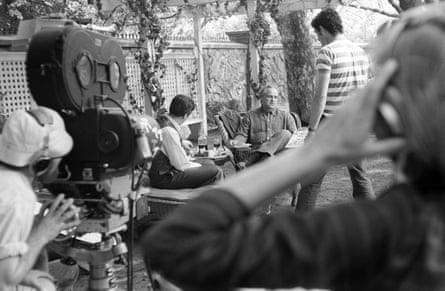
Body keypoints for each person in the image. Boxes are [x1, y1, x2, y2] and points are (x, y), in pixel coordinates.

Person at [141, 4, 445, 290]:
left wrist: (312, 148)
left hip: (325, 130)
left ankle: (297, 209)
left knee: (311, 183)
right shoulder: (353, 53)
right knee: (357, 177)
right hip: (275, 148)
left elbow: (171, 247)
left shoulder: (383, 233)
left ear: (386, 111)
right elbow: (239, 137)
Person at [296, 8, 375, 210]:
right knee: (360, 177)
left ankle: (299, 226)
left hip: (331, 123)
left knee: (311, 179)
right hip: (356, 122)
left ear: (322, 29)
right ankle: (375, 221)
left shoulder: (327, 52)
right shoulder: (360, 52)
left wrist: (312, 130)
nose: (319, 39)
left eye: (317, 34)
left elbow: (320, 95)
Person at [0, 106, 80, 290]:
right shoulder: (17, 194)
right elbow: (5, 280)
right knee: (60, 276)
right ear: (42, 162)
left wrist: (38, 225)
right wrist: (44, 232)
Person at [149, 94, 224, 189]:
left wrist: (182, 142)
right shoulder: (169, 131)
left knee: (209, 164)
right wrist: (199, 165)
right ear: (185, 115)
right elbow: (181, 165)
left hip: (160, 172)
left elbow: (165, 144)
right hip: (164, 178)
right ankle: (217, 197)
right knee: (216, 171)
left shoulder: (163, 121)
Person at [233, 85, 298, 167]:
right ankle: (260, 155)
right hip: (261, 158)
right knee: (269, 160)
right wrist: (235, 142)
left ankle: (254, 157)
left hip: (280, 154)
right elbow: (242, 135)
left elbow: (296, 139)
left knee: (285, 134)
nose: (273, 100)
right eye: (269, 97)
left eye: (275, 97)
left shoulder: (286, 116)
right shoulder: (250, 116)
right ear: (261, 99)